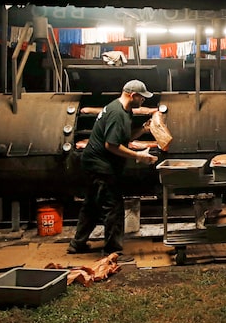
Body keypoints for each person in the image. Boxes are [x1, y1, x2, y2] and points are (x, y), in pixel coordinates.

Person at [68, 79, 159, 255]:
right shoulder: (117, 113)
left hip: (94, 163)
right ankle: (112, 251)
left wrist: (143, 129)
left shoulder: (124, 110)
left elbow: (123, 138)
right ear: (132, 95)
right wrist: (139, 156)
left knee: (92, 205)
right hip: (100, 165)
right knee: (113, 207)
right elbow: (112, 145)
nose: (143, 101)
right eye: (142, 98)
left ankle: (76, 244)